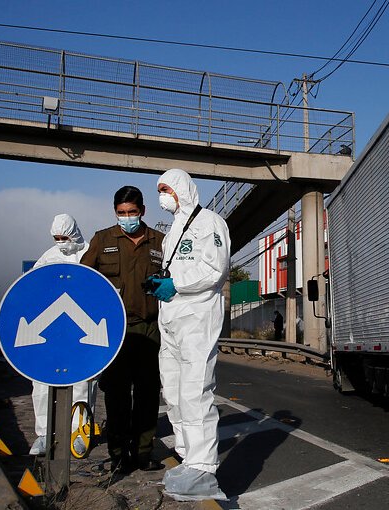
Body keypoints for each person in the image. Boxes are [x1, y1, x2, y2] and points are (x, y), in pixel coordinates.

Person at [150, 168, 230, 501]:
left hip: (197, 315)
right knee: (174, 389)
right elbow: (175, 269)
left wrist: (177, 285)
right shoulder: (172, 232)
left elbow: (215, 269)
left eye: (166, 189)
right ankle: (187, 456)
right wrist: (161, 285)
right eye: (160, 189)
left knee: (196, 390)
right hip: (171, 317)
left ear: (182, 189)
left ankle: (203, 466)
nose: (162, 196)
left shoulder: (209, 222)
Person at [80, 186, 166, 473]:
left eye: (131, 212)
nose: (126, 218)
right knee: (116, 395)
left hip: (150, 329)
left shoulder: (161, 242)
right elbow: (85, 280)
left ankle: (142, 453)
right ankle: (118, 455)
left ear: (142, 211)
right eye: (121, 213)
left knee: (147, 394)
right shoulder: (102, 239)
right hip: (114, 330)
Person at [29, 214, 97, 456]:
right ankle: (44, 435)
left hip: (84, 330)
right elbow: (34, 287)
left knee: (83, 384)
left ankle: (79, 433)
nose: (61, 242)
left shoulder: (90, 253)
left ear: (75, 233)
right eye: (56, 238)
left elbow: (100, 288)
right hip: (53, 330)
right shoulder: (48, 257)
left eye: (65, 237)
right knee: (41, 382)